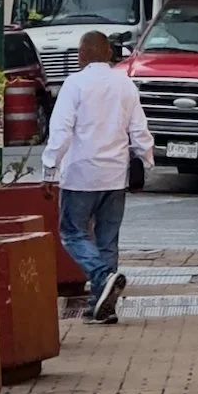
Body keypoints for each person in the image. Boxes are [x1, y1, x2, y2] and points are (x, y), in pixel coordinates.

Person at [43, 30, 154, 324]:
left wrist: (49, 166)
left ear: (81, 56)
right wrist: (147, 158)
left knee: (72, 233)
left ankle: (102, 277)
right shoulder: (125, 84)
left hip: (80, 174)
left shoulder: (74, 84)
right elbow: (139, 128)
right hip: (115, 175)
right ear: (109, 53)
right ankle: (102, 306)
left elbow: (62, 129)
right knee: (107, 240)